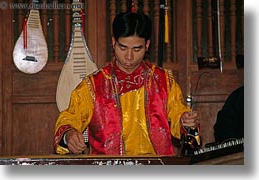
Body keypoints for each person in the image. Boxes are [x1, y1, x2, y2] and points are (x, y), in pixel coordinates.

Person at [53, 12, 199, 156]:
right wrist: (69, 135)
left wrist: (185, 120)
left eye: (137, 49)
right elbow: (70, 118)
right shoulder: (93, 85)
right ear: (113, 42)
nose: (129, 57)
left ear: (147, 45)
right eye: (123, 48)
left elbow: (178, 113)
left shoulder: (164, 81)